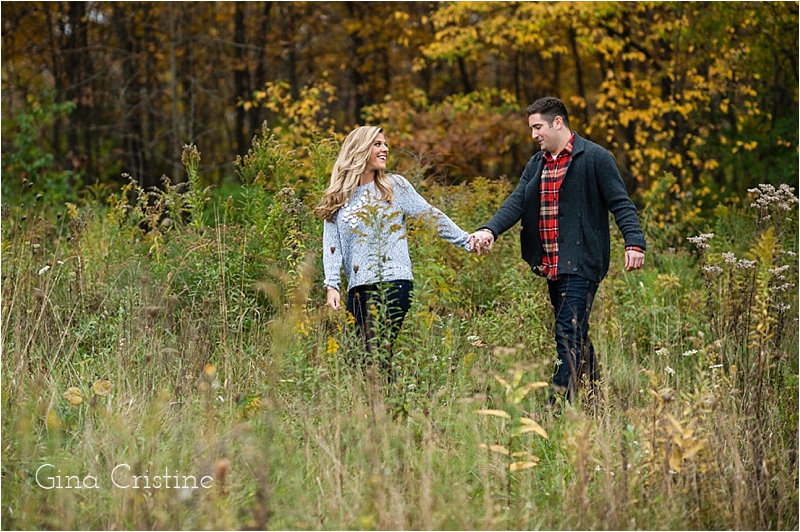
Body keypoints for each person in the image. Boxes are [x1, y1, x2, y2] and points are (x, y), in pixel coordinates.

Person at [469, 97, 646, 404]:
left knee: (567, 333)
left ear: (558, 123)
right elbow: (516, 201)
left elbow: (621, 203)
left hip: (583, 262)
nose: (534, 134)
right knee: (575, 334)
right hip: (551, 265)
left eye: (538, 127)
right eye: (532, 128)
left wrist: (634, 242)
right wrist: (489, 229)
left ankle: (556, 409)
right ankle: (596, 399)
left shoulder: (594, 158)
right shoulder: (537, 164)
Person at [314, 126, 473, 379]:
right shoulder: (338, 198)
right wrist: (331, 284)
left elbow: (431, 216)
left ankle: (389, 408)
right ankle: (388, 406)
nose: (385, 149)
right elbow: (332, 246)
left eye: (385, 144)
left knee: (373, 352)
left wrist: (466, 240)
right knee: (356, 357)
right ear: (359, 150)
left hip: (393, 282)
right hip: (357, 289)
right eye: (377, 144)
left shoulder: (394, 187)